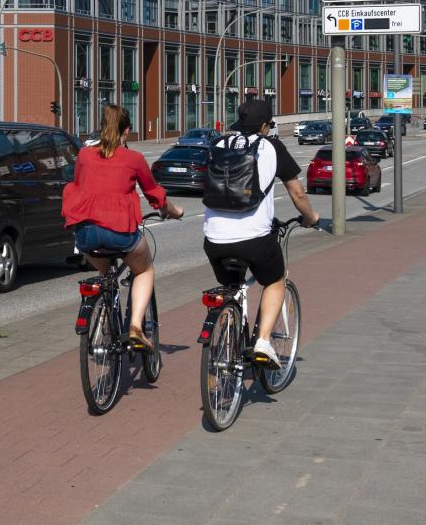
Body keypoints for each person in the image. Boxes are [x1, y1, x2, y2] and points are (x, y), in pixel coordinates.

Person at [203, 100, 320, 369]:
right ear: (265, 125)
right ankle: (264, 342)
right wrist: (311, 218)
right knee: (275, 280)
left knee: (231, 287)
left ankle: (228, 327)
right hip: (255, 239)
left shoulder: (219, 145)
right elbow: (297, 192)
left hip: (214, 240)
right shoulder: (273, 146)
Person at [63, 104, 183, 353]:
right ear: (126, 131)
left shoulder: (84, 155)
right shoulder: (134, 158)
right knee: (145, 270)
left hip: (84, 233)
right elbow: (154, 194)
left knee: (105, 275)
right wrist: (173, 211)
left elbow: (77, 186)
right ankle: (136, 328)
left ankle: (105, 307)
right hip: (118, 231)